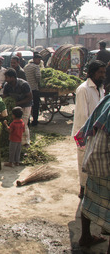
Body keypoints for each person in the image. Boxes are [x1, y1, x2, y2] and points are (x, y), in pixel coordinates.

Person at [74, 94, 109, 251]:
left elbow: (90, 123)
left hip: (93, 157)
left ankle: (85, 236)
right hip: (105, 162)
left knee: (89, 197)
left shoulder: (107, 99)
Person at [72, 60, 106, 198]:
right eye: (100, 72)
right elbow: (82, 116)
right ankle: (83, 188)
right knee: (83, 161)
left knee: (95, 162)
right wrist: (86, 135)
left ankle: (92, 188)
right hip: (85, 133)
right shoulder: (83, 89)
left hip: (98, 132)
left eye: (104, 72)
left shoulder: (100, 89)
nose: (103, 75)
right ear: (92, 73)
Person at [3, 68, 32, 147]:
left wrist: (17, 103)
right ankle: (16, 141)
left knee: (23, 124)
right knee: (15, 124)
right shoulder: (7, 85)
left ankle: (25, 143)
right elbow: (5, 96)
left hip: (25, 105)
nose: (5, 80)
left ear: (12, 78)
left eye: (7, 78)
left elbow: (29, 97)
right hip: (15, 107)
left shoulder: (23, 84)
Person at [24, 53, 42, 126]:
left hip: (27, 89)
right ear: (34, 59)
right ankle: (35, 121)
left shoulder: (26, 66)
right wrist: (39, 83)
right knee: (35, 106)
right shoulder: (36, 67)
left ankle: (27, 121)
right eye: (38, 60)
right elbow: (38, 77)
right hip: (34, 89)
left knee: (28, 105)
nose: (39, 61)